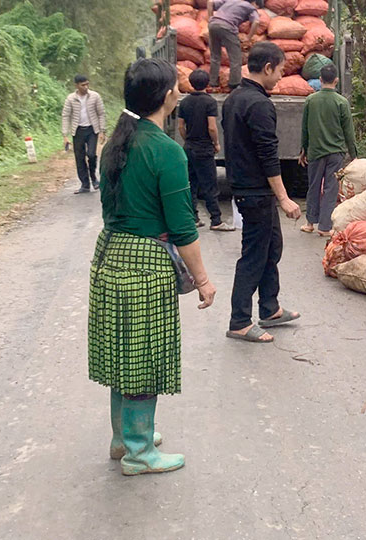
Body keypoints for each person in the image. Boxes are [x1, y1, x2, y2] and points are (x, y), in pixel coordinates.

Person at [87, 58, 216, 476]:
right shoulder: (166, 151)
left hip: (109, 256)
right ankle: (139, 453)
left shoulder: (116, 143)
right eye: (175, 88)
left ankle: (123, 436)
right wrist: (203, 281)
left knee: (124, 352)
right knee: (143, 357)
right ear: (166, 97)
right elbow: (182, 228)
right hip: (145, 264)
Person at [221, 42, 303, 343]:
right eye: (280, 70)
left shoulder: (234, 99)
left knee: (272, 247)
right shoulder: (258, 104)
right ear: (267, 68)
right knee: (254, 254)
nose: (281, 77)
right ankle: (239, 320)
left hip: (248, 188)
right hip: (255, 191)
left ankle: (270, 308)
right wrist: (283, 197)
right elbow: (268, 155)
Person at [299, 63, 357, 237]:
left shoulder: (311, 100)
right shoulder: (341, 102)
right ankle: (324, 226)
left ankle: (310, 222)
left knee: (314, 186)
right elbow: (348, 131)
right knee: (331, 188)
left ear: (320, 80)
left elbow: (305, 128)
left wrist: (303, 149)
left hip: (315, 152)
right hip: (335, 153)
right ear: (336, 80)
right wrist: (354, 155)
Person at [177, 69, 232, 232]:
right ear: (207, 83)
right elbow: (212, 127)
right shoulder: (209, 102)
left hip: (189, 147)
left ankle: (193, 218)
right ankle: (216, 220)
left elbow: (181, 126)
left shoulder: (185, 102)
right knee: (210, 185)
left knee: (191, 184)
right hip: (204, 148)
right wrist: (216, 143)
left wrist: (187, 139)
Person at [207, 0, 264, 90]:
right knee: (235, 58)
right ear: (254, 3)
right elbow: (256, 21)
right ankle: (234, 84)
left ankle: (213, 83)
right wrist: (248, 38)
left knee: (215, 56)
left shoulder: (231, 0)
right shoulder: (250, 7)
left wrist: (210, 18)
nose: (257, 9)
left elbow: (210, 2)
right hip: (228, 27)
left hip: (213, 25)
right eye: (257, 7)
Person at [62, 74, 107, 194]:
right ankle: (85, 184)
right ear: (76, 85)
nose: (86, 87)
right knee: (79, 157)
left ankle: (93, 177)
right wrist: (65, 135)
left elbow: (101, 113)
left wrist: (102, 131)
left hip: (92, 129)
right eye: (83, 85)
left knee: (91, 154)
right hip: (77, 131)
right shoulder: (70, 99)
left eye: (87, 84)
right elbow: (66, 116)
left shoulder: (95, 96)